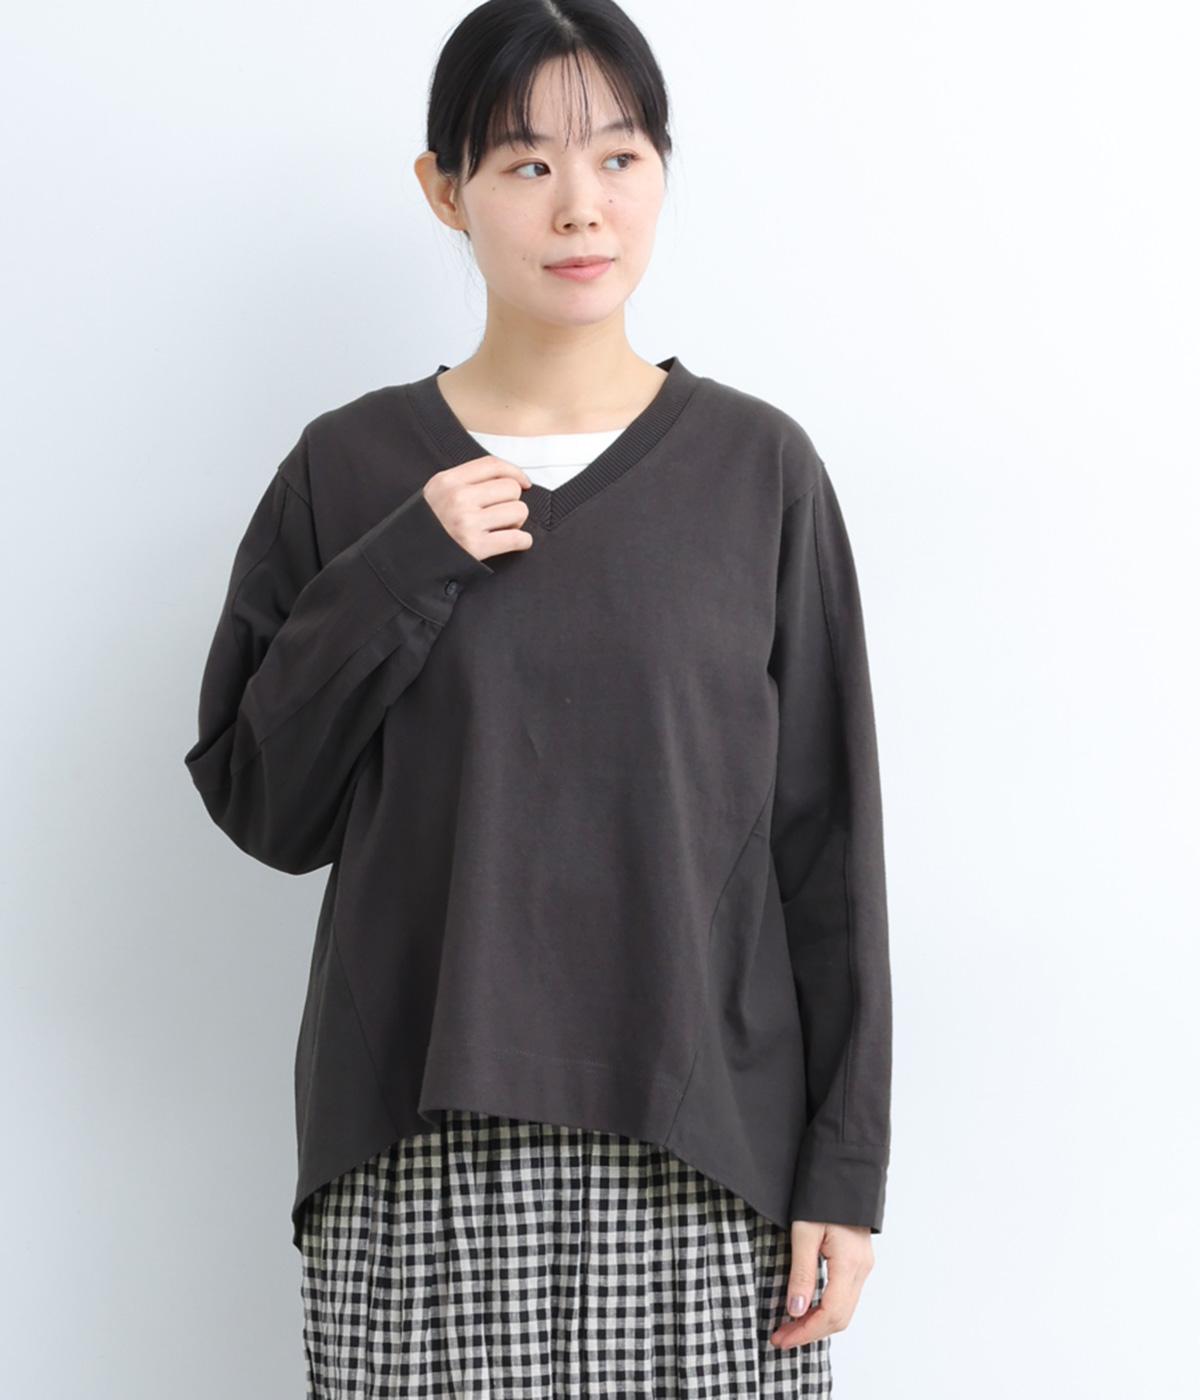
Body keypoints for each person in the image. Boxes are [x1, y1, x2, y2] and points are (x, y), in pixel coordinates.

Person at [183, 2, 893, 1395]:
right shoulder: (348, 470)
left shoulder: (760, 471)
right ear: (444, 188)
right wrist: (404, 562)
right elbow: (266, 807)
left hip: (708, 1168)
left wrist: (846, 1170)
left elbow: (830, 842)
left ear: (663, 172)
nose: (581, 206)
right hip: (417, 1158)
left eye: (619, 157)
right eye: (526, 163)